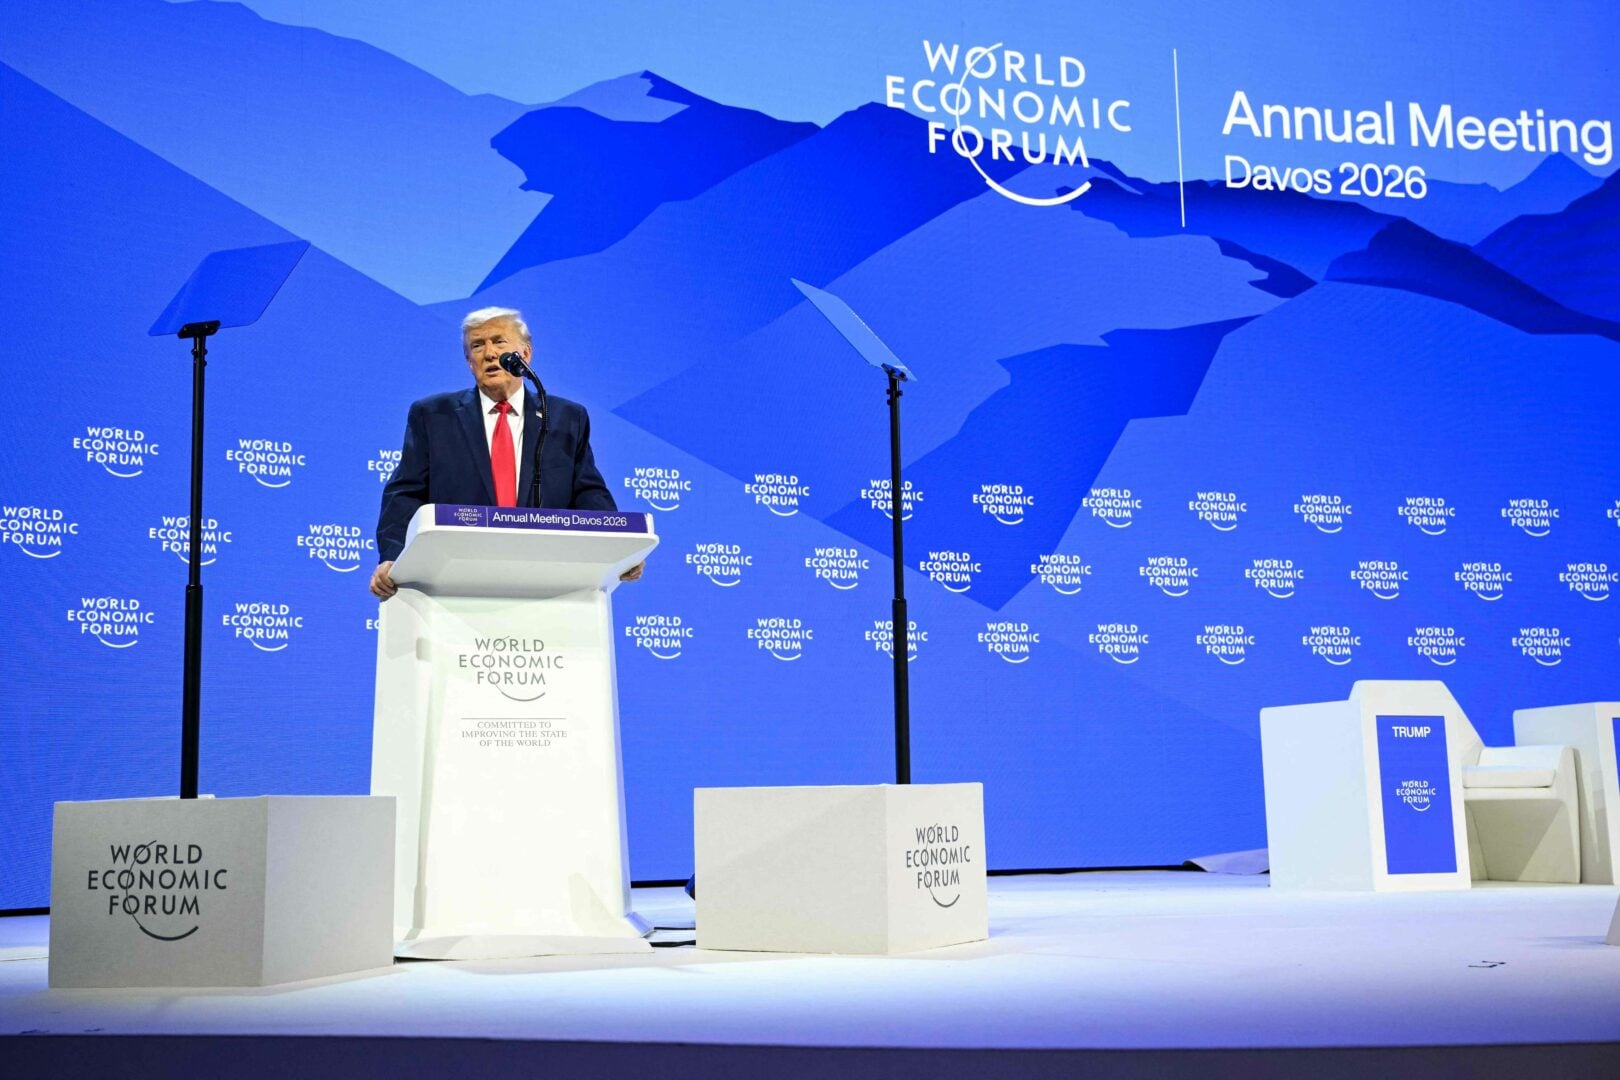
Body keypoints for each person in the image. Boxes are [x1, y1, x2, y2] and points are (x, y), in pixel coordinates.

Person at [370, 306, 643, 599]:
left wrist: (618, 550)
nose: (489, 353)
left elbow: (588, 492)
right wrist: (394, 557)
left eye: (499, 341)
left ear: (525, 355)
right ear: (469, 361)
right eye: (477, 346)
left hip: (547, 581)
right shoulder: (434, 416)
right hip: (457, 579)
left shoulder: (566, 418)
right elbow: (405, 493)